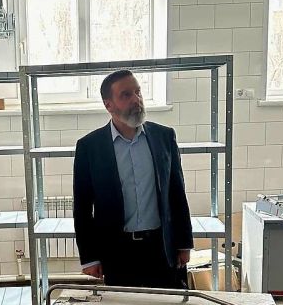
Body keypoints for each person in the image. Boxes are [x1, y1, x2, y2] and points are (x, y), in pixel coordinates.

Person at [73, 69, 193, 288]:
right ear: (108, 105)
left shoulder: (164, 137)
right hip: (118, 252)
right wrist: (90, 257)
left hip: (161, 248)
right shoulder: (90, 147)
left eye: (138, 92)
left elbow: (177, 192)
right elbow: (82, 207)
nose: (136, 99)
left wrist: (184, 244)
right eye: (126, 95)